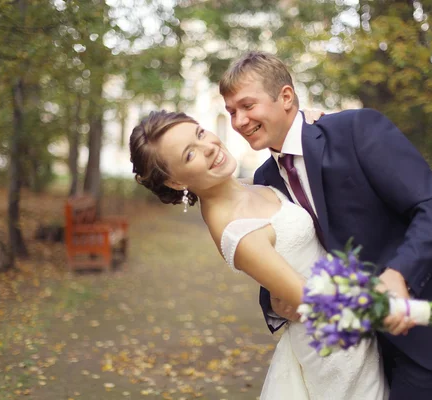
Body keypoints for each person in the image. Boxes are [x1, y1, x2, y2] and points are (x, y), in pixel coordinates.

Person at [219, 51, 432, 400]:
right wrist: (275, 303)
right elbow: (288, 250)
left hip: (425, 315)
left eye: (247, 106)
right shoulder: (264, 177)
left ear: (286, 97)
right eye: (231, 112)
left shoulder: (356, 129)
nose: (239, 120)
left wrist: (399, 275)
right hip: (356, 344)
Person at [129, 110, 397, 399]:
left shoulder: (251, 185)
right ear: (175, 182)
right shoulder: (237, 230)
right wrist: (400, 306)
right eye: (189, 155)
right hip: (339, 344)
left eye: (200, 133)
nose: (208, 147)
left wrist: (305, 125)